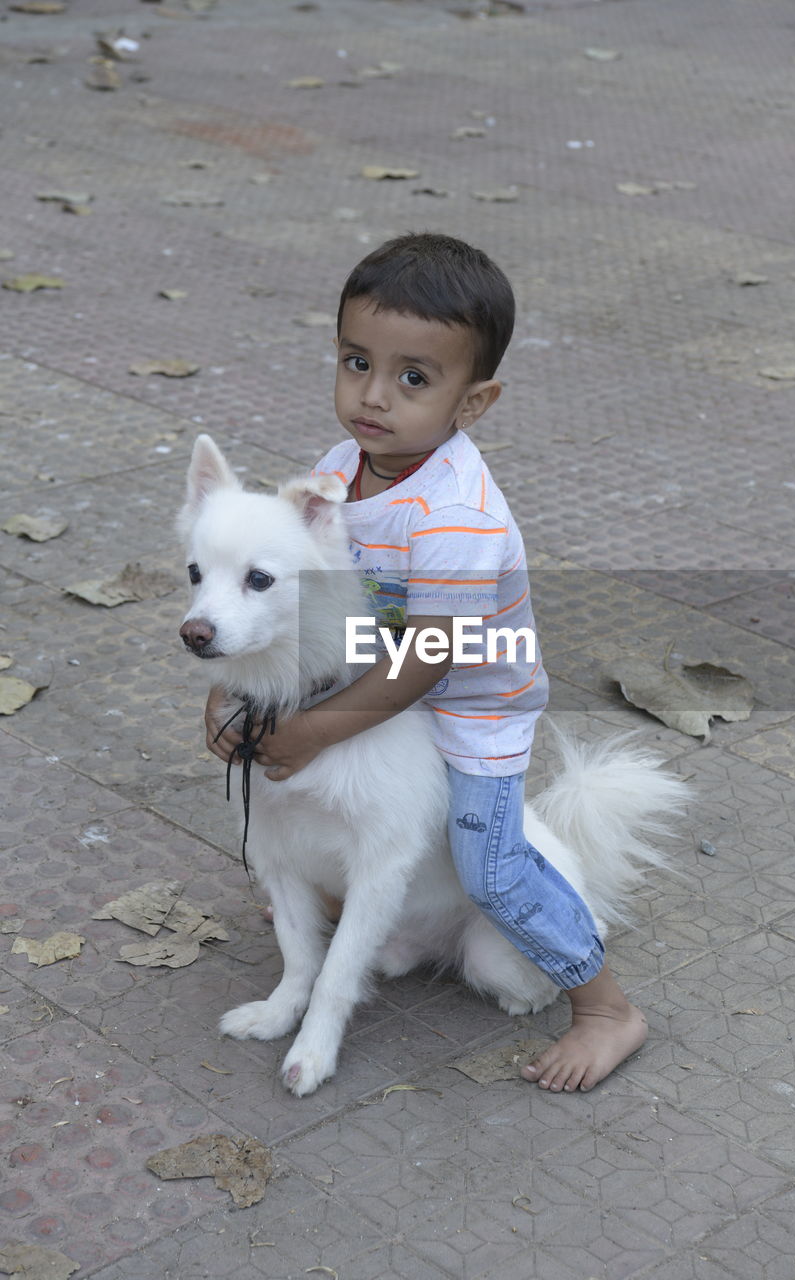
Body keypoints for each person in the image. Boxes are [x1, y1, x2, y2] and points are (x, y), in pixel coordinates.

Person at [204, 232, 647, 1092]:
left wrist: (312, 730)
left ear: (473, 402)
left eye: (413, 378)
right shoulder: (342, 470)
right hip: (379, 674)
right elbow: (291, 600)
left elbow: (432, 657)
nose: (373, 396)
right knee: (331, 816)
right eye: (355, 361)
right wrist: (240, 696)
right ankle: (384, 924)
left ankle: (605, 1008)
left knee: (489, 863)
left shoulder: (455, 515)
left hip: (469, 702)